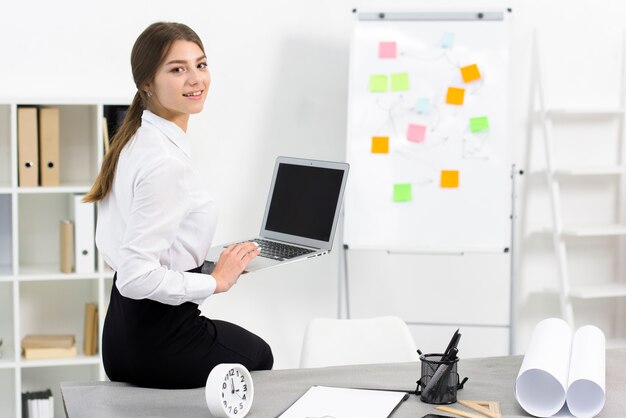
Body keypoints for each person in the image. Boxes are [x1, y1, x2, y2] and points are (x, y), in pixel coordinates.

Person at [83, 22, 273, 389]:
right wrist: (213, 281)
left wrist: (211, 262)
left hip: (120, 337)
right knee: (260, 357)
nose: (195, 79)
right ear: (146, 84)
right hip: (160, 344)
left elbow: (123, 251)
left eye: (200, 65)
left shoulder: (135, 141)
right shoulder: (164, 163)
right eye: (177, 69)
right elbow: (138, 277)